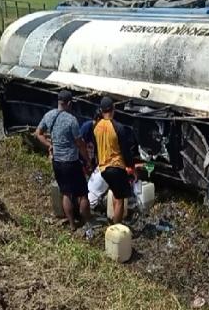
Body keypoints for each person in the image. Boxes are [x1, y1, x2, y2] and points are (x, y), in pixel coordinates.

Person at [36, 90, 91, 230]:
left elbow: (38, 133)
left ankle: (72, 224)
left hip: (57, 163)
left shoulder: (49, 115)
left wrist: (50, 145)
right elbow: (79, 144)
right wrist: (88, 159)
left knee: (66, 193)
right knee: (83, 194)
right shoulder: (71, 120)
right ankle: (87, 223)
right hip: (71, 163)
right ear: (70, 103)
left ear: (58, 101)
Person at [81, 96, 135, 224]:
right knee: (120, 199)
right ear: (113, 109)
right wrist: (131, 166)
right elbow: (125, 151)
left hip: (103, 168)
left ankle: (112, 219)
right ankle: (116, 227)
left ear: (101, 110)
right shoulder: (118, 127)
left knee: (114, 192)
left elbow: (96, 147)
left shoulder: (96, 127)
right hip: (116, 166)